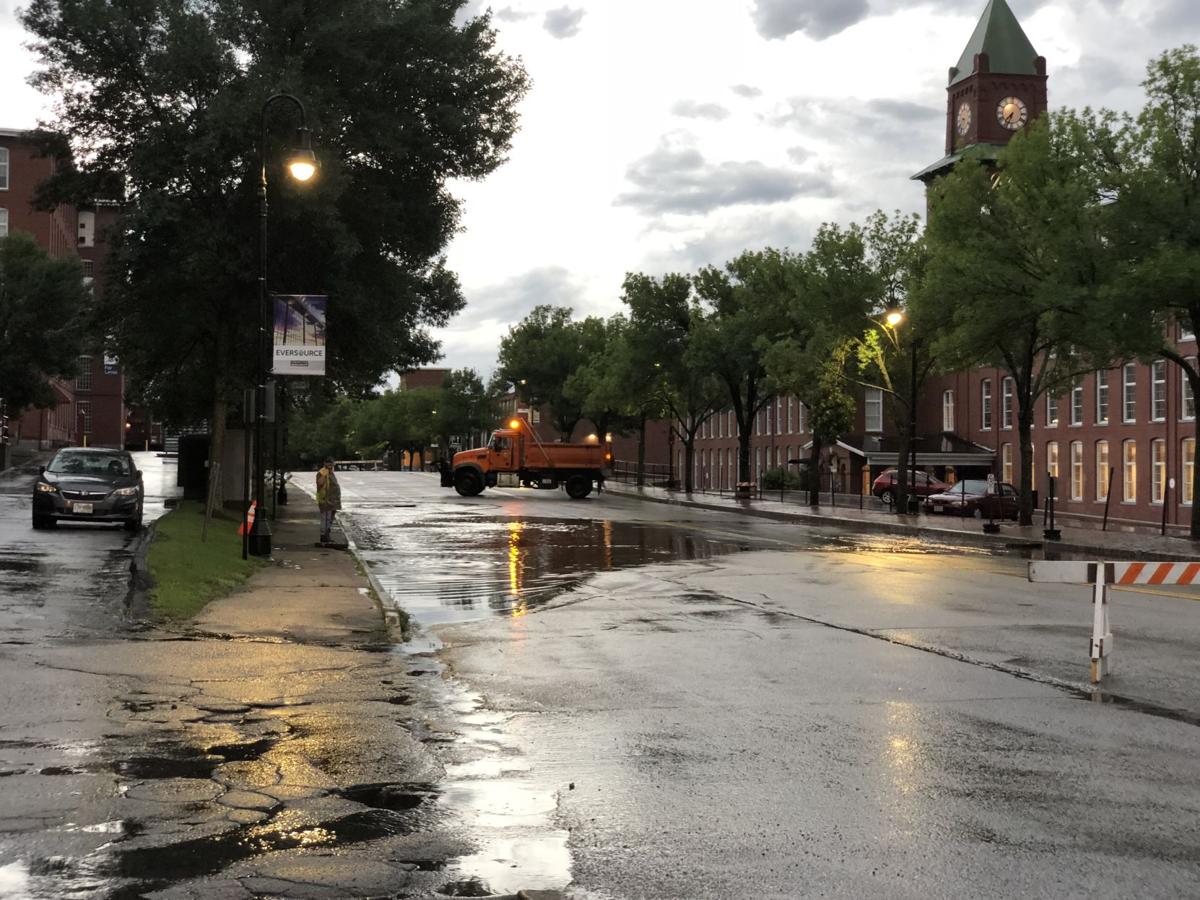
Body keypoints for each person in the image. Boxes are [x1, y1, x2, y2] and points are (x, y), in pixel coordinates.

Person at [316, 457, 341, 544]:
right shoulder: (322, 472)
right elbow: (320, 483)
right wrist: (324, 474)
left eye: (332, 464)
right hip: (325, 499)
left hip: (333, 500)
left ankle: (327, 535)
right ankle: (324, 536)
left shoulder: (331, 473)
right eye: (329, 464)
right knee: (325, 518)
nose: (330, 465)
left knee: (330, 519)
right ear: (325, 463)